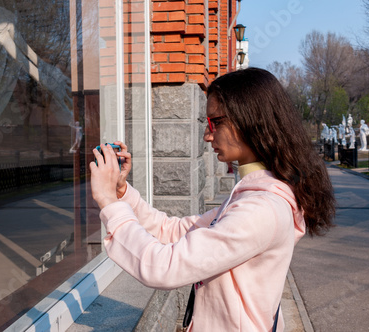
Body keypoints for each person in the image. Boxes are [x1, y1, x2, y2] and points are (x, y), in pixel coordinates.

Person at [89, 68, 336, 331]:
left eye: (215, 123)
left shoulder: (262, 209)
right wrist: (122, 193)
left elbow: (163, 266)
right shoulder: (255, 195)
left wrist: (108, 202)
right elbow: (173, 231)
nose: (208, 136)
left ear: (251, 120)